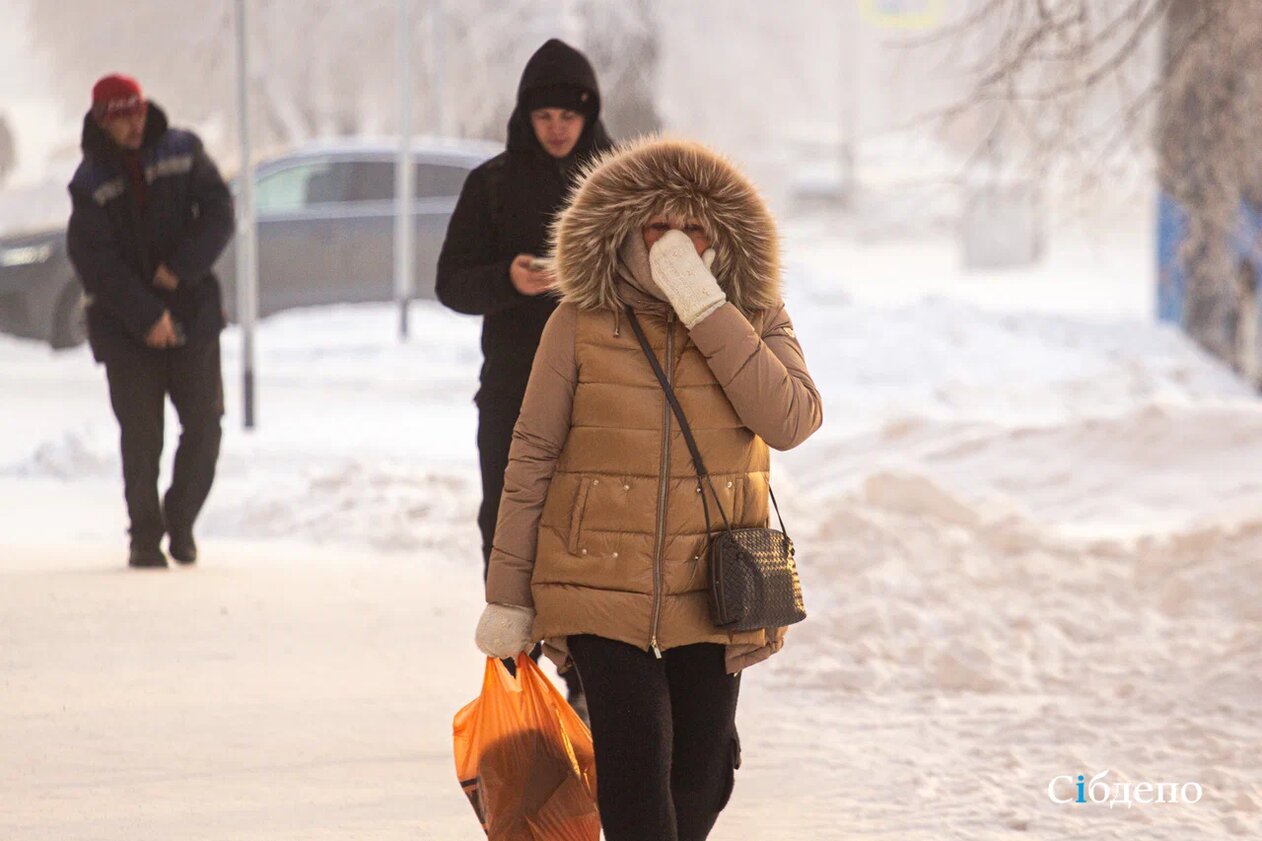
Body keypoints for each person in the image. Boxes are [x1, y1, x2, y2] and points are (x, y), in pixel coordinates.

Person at [474, 136, 823, 840]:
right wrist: (508, 597)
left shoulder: (754, 313)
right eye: (659, 227)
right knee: (636, 786)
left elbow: (790, 420)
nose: (677, 244)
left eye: (695, 228)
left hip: (714, 586)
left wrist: (706, 308)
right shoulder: (578, 322)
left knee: (698, 784)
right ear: (626, 231)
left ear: (720, 236)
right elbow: (532, 456)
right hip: (598, 585)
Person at [436, 39, 613, 715]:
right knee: (509, 528)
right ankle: (519, 683)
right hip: (511, 390)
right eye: (545, 115)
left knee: (590, 534)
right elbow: (450, 282)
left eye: (570, 113)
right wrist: (507, 280)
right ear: (525, 116)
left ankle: (591, 682)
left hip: (598, 394)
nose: (558, 126)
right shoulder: (492, 184)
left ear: (589, 113)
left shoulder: (618, 180)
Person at [66, 74, 234, 569]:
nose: (133, 124)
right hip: (126, 327)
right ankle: (144, 537)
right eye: (121, 117)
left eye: (137, 112)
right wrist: (147, 315)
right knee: (142, 438)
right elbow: (94, 261)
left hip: (193, 312)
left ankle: (179, 520)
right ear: (102, 120)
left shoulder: (182, 150)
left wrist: (179, 269)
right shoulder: (90, 181)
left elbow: (220, 214)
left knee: (205, 427)